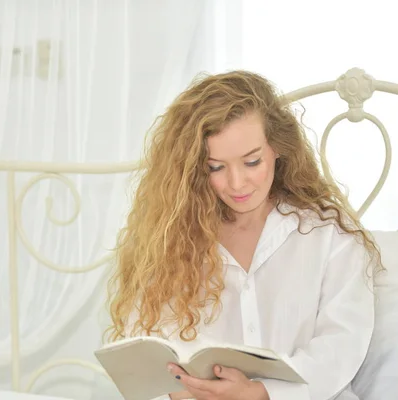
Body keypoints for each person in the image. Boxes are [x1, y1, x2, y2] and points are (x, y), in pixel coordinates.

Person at [105, 70, 381, 400]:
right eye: (216, 167)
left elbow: (341, 346)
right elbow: (146, 351)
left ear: (278, 148)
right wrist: (180, 392)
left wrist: (263, 393)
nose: (237, 184)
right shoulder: (170, 242)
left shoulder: (329, 237)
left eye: (252, 162)